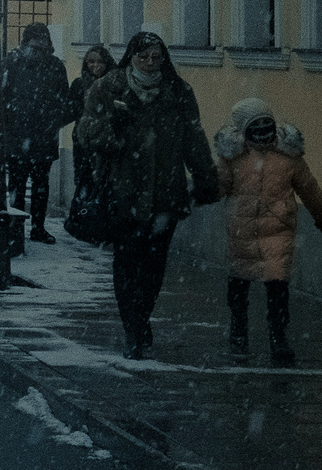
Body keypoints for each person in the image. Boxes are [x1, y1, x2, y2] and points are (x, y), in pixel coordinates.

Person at [73, 31, 220, 359]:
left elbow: (194, 137)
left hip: (166, 193)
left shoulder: (178, 91)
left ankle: (141, 318)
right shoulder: (110, 87)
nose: (151, 64)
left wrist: (205, 177)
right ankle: (133, 328)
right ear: (132, 58)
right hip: (122, 190)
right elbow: (86, 133)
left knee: (153, 266)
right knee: (126, 263)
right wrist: (116, 130)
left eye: (157, 58)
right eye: (144, 57)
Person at [212, 97, 322, 365]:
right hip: (242, 231)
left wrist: (321, 214)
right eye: (255, 126)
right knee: (238, 282)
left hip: (278, 231)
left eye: (267, 124)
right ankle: (238, 328)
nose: (263, 131)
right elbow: (219, 187)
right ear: (243, 129)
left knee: (277, 286)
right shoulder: (233, 158)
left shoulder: (289, 157)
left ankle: (279, 336)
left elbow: (308, 187)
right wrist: (200, 191)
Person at [0, 22, 73, 242]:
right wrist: (8, 125)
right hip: (18, 136)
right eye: (35, 42)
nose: (39, 46)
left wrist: (53, 122)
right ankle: (16, 228)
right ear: (25, 42)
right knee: (17, 185)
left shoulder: (55, 66)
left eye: (43, 42)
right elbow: (1, 99)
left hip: (42, 137)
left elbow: (64, 101)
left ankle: (37, 228)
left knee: (41, 186)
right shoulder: (12, 63)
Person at [68, 44, 115, 211]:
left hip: (107, 142)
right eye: (91, 62)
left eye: (100, 61)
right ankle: (82, 219)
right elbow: (71, 111)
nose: (96, 66)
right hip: (84, 142)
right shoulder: (79, 84)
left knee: (106, 184)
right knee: (84, 182)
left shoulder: (115, 84)